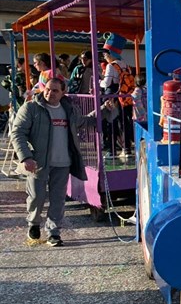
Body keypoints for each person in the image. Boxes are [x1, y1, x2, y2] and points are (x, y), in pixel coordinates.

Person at [9, 76, 89, 246]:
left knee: (58, 200)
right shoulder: (31, 108)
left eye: (55, 90)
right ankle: (33, 223)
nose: (50, 93)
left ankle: (53, 233)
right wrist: (26, 157)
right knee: (36, 197)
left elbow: (83, 122)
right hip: (38, 163)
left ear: (63, 93)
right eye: (47, 89)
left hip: (63, 163)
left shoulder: (69, 110)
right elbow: (17, 133)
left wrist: (105, 110)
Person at [100, 34, 134, 156]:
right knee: (124, 122)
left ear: (110, 53)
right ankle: (127, 148)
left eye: (105, 54)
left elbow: (107, 83)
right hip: (124, 97)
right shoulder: (125, 64)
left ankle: (112, 150)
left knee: (111, 123)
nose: (104, 56)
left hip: (113, 96)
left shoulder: (111, 66)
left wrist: (99, 82)